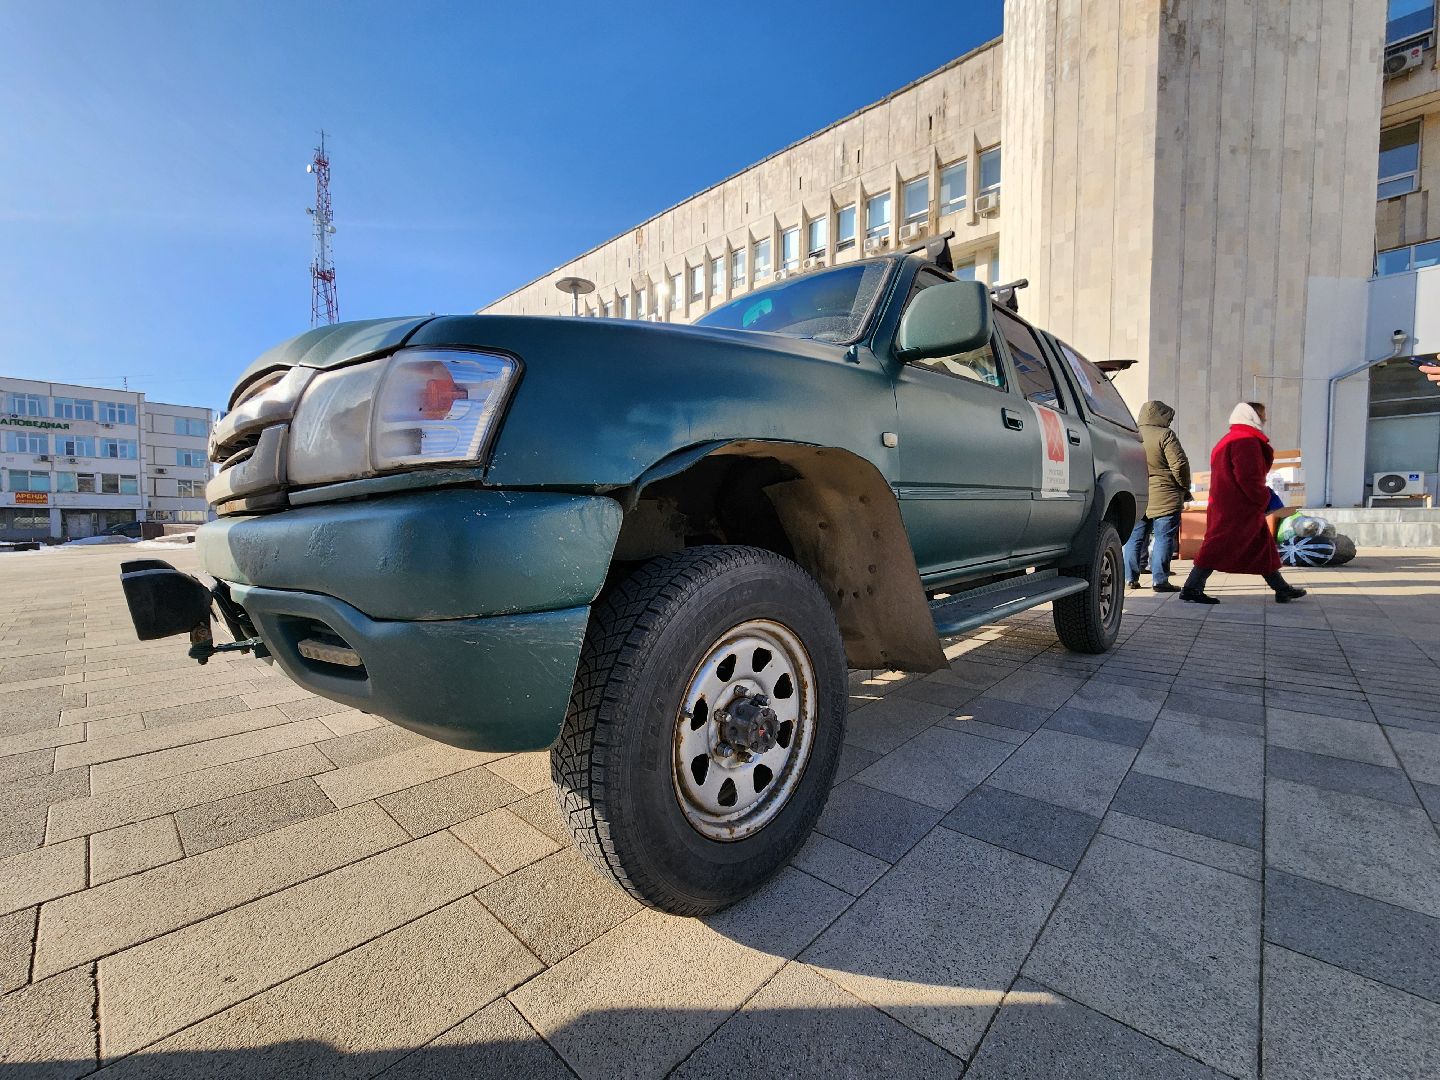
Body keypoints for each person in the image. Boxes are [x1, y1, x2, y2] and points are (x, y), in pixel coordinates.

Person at [1180, 401, 1307, 605]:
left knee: (1261, 546)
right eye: (1262, 415)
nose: (1265, 420)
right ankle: (1191, 587)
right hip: (1240, 506)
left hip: (1230, 504)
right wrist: (1263, 499)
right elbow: (1248, 477)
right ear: (1253, 416)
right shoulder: (1245, 441)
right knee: (1217, 546)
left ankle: (1282, 589)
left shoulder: (1230, 439)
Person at [1125, 401, 1190, 593]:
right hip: (1165, 493)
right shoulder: (1165, 435)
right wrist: (1184, 486)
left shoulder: (1131, 434)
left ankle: (1129, 578)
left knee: (1134, 537)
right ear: (1161, 416)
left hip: (1136, 492)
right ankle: (1159, 580)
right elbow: (1179, 465)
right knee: (1163, 537)